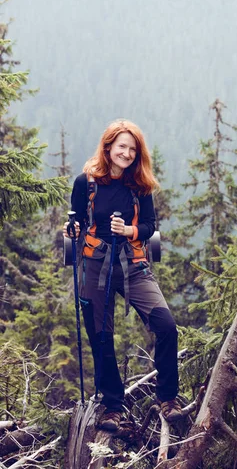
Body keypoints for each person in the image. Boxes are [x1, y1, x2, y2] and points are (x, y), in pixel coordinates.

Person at [63, 119, 181, 431]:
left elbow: (150, 226)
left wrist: (129, 230)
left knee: (166, 327)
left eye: (132, 149)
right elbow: (75, 224)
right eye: (121, 147)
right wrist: (71, 229)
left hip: (133, 266)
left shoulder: (139, 186)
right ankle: (112, 406)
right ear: (108, 147)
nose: (126, 153)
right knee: (101, 338)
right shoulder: (85, 183)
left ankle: (168, 398)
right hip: (94, 266)